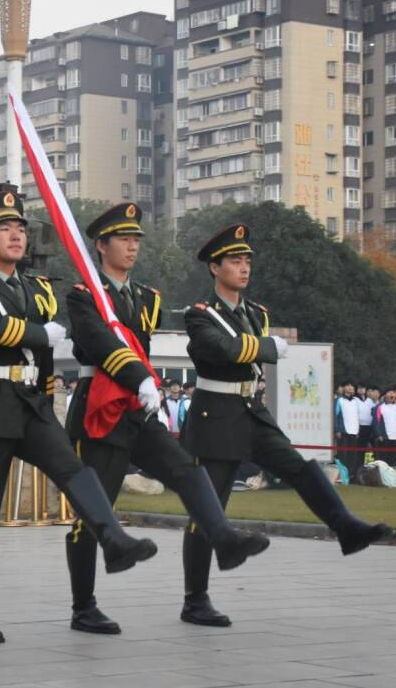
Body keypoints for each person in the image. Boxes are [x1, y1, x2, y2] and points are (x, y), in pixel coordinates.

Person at [0, 189, 158, 644]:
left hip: (31, 404)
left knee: (76, 471)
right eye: (4, 229)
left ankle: (111, 543)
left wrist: (44, 394)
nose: (16, 236)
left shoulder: (36, 289)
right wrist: (37, 333)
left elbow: (43, 353)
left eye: (20, 229)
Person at [64, 203, 269, 633]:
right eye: (124, 239)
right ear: (101, 246)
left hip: (138, 406)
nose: (133, 246)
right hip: (100, 404)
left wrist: (142, 383)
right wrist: (139, 376)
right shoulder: (84, 296)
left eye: (136, 239)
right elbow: (99, 343)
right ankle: (84, 607)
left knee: (186, 470)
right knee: (93, 511)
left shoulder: (147, 298)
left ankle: (224, 539)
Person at [178, 223, 391, 626]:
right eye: (235, 261)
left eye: (247, 261)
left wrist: (261, 347)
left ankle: (346, 528)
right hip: (215, 416)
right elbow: (222, 349)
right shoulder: (200, 315)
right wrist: (266, 346)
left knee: (300, 467)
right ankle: (195, 600)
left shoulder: (256, 313)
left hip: (251, 410)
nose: (244, 268)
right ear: (214, 268)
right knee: (210, 510)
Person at [334, 383, 361, 479]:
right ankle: (342, 474)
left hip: (354, 431)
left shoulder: (356, 401)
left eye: (352, 386)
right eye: (348, 386)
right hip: (343, 431)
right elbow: (335, 415)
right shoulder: (339, 400)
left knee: (352, 454)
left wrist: (358, 430)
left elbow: (357, 416)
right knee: (343, 453)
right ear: (343, 388)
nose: (350, 388)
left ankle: (350, 474)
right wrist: (337, 430)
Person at [373, 389, 396, 462]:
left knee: (393, 456)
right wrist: (379, 434)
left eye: (393, 393)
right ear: (385, 395)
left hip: (395, 435)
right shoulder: (380, 407)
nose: (391, 395)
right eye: (389, 393)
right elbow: (376, 422)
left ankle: (392, 467)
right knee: (383, 457)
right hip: (384, 436)